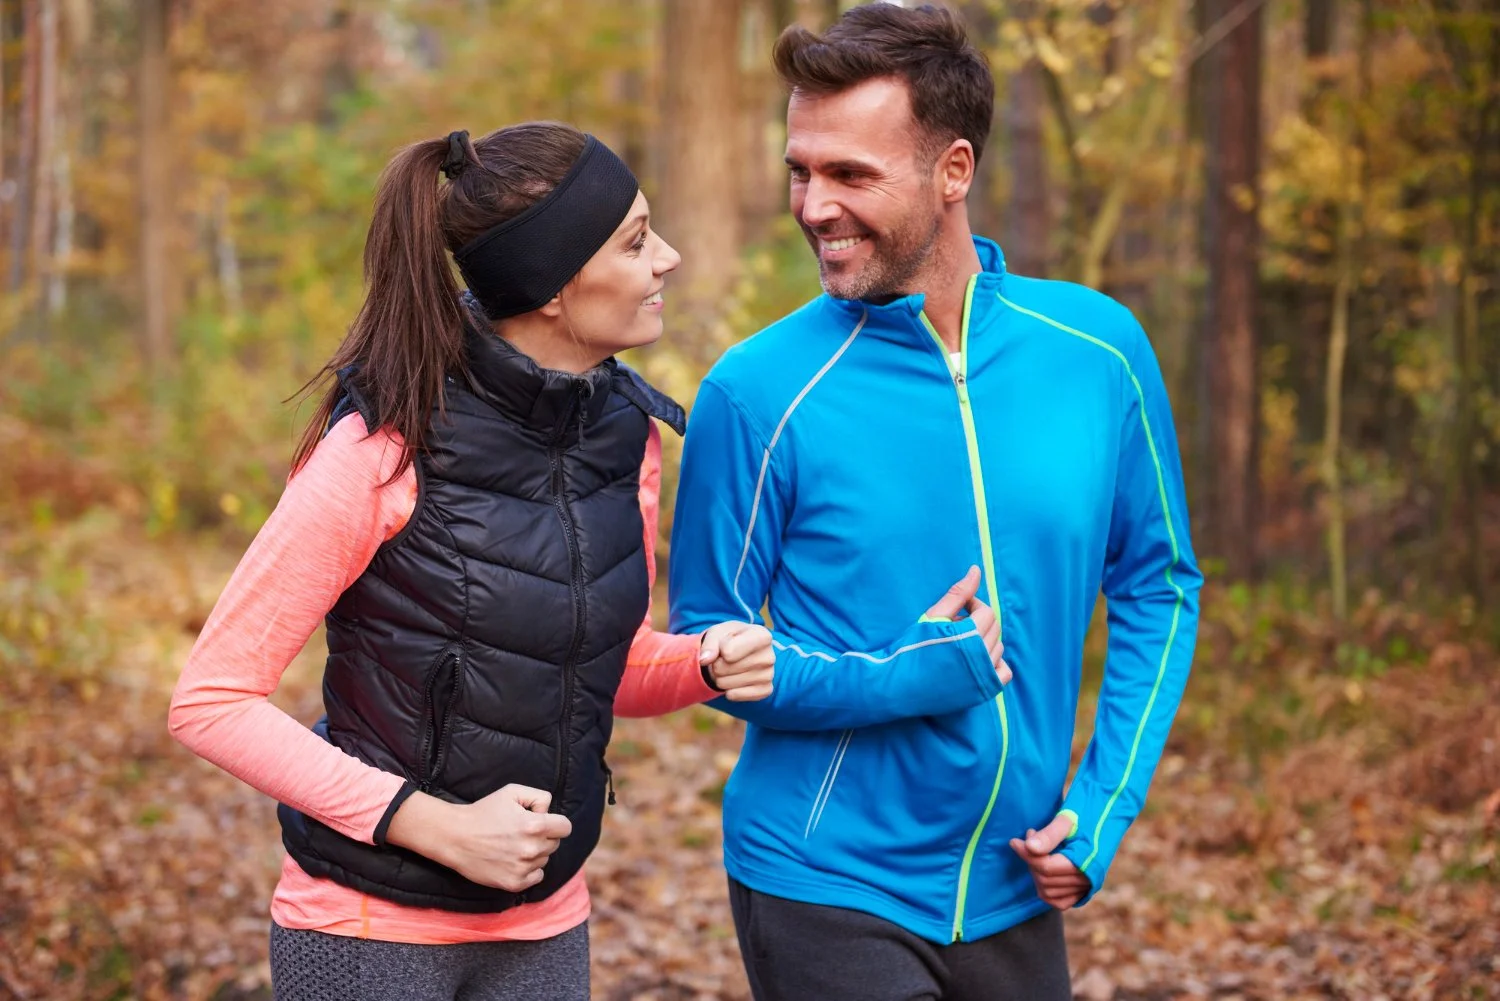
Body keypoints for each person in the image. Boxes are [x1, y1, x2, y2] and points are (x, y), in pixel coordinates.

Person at [668, 5, 1204, 1000]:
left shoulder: (1098, 352)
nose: (814, 205)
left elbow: (1160, 584)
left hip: (1018, 878)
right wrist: (901, 674)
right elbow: (707, 648)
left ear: (952, 171)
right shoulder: (756, 392)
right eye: (802, 169)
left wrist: (1102, 803)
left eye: (850, 174)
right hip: (825, 876)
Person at [169, 122, 774, 1001]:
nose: (670, 258)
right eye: (637, 241)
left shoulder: (625, 435)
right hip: (370, 930)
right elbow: (212, 701)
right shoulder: (385, 443)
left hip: (546, 923)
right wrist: (434, 826)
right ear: (554, 284)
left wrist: (706, 663)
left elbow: (608, 663)